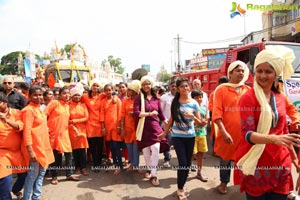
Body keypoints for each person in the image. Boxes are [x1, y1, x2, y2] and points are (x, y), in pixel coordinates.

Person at [234, 46, 300, 200]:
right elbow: (247, 134)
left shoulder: (280, 97)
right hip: (257, 163)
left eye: (268, 72)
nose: (263, 76)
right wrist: (273, 139)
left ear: (276, 74)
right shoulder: (248, 98)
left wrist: (295, 160)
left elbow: (286, 129)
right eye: (259, 71)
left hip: (280, 163)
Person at [158, 77, 202, 200]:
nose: (185, 88)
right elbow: (171, 120)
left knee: (187, 163)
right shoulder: (175, 102)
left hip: (190, 136)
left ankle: (182, 184)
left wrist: (193, 117)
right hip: (177, 137)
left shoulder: (194, 103)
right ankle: (180, 188)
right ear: (178, 89)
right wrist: (164, 133)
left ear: (190, 87)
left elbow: (200, 123)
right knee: (182, 163)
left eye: (187, 86)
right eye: (182, 86)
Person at [212, 60, 250, 194]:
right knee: (226, 160)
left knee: (246, 159)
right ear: (230, 73)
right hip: (227, 133)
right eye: (237, 70)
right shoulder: (221, 89)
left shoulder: (248, 90)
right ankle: (223, 183)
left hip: (246, 134)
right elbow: (217, 112)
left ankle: (245, 184)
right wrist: (223, 131)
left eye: (242, 71)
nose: (241, 73)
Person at [134, 75, 168, 186]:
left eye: (147, 84)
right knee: (146, 151)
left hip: (154, 127)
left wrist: (166, 121)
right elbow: (137, 113)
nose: (145, 86)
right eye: (143, 84)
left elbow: (161, 114)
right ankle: (149, 169)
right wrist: (150, 113)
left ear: (151, 85)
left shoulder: (156, 98)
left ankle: (154, 174)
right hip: (143, 127)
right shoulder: (139, 98)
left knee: (155, 148)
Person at [22, 85, 55, 200]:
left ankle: (37, 196)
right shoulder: (28, 110)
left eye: (40, 95)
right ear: (29, 96)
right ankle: (27, 198)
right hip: (34, 148)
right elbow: (26, 131)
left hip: (43, 146)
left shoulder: (40, 108)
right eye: (35, 95)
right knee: (32, 176)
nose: (38, 97)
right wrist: (30, 150)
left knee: (41, 174)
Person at [45, 86, 79, 184]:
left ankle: (69, 174)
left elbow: (66, 120)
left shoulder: (67, 106)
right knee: (54, 156)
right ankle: (54, 176)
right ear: (60, 94)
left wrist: (74, 128)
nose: (67, 95)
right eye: (64, 93)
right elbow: (44, 115)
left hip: (64, 134)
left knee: (69, 154)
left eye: (68, 93)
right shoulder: (54, 103)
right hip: (53, 134)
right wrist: (45, 128)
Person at [0, 93, 27, 200]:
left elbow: (20, 126)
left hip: (17, 152)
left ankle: (15, 190)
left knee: (24, 175)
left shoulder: (17, 113)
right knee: (5, 180)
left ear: (5, 103)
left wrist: (6, 120)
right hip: (2, 153)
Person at [81, 79, 105, 172]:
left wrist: (115, 98)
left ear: (100, 88)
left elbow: (112, 93)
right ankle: (96, 164)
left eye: (97, 86)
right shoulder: (85, 97)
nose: (95, 87)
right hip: (89, 124)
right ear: (91, 86)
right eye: (94, 85)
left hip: (100, 124)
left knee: (99, 146)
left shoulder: (102, 96)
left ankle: (98, 163)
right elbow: (76, 101)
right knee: (92, 146)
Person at [100, 84, 123, 175]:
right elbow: (101, 114)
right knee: (112, 147)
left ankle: (120, 165)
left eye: (110, 90)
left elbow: (120, 114)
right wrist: (103, 128)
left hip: (116, 127)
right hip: (107, 127)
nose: (108, 92)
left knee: (117, 147)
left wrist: (119, 126)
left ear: (113, 90)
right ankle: (115, 162)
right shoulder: (103, 101)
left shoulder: (117, 100)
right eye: (106, 90)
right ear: (104, 91)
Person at [120, 80, 142, 173]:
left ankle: (136, 165)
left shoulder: (140, 100)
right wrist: (122, 128)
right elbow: (122, 115)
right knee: (129, 147)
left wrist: (135, 114)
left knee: (136, 147)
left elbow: (142, 112)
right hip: (127, 127)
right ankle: (132, 164)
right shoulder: (125, 101)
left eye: (131, 90)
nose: (129, 92)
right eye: (129, 90)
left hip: (137, 127)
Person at [69, 84, 89, 176]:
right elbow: (67, 119)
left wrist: (74, 121)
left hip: (82, 130)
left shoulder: (83, 105)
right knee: (75, 150)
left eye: (78, 95)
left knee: (82, 150)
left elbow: (86, 118)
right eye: (75, 95)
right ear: (72, 96)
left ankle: (83, 167)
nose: (77, 97)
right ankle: (77, 167)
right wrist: (72, 123)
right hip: (72, 130)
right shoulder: (68, 106)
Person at [208, 76, 229, 156]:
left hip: (221, 117)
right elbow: (211, 107)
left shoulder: (214, 93)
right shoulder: (215, 93)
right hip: (218, 117)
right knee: (217, 134)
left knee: (218, 134)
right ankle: (216, 150)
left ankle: (218, 150)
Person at [191, 89, 208, 182]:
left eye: (200, 97)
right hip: (193, 135)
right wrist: (198, 122)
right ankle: (187, 169)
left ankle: (199, 172)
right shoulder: (190, 108)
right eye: (196, 97)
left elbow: (206, 120)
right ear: (192, 99)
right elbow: (190, 122)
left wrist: (204, 122)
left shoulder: (204, 108)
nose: (199, 99)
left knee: (201, 154)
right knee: (192, 154)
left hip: (202, 134)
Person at [160, 80, 177, 168]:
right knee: (168, 143)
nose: (174, 87)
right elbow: (161, 112)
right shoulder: (164, 97)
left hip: (179, 126)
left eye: (175, 86)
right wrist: (165, 122)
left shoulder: (182, 96)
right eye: (172, 86)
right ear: (169, 87)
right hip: (167, 125)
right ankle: (167, 159)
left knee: (179, 144)